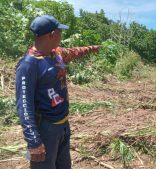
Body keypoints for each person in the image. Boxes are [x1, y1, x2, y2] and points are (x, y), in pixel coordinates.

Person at [15, 15, 100, 169]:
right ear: (52, 34)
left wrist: (92, 48)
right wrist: (33, 140)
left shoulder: (56, 54)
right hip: (45, 129)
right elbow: (24, 106)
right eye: (60, 31)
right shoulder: (29, 65)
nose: (62, 35)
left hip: (63, 124)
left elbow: (75, 52)